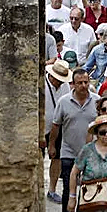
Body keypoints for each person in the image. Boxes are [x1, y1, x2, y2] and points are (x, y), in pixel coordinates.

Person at [50, 68, 100, 212]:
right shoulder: (64, 102)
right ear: (73, 84)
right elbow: (56, 126)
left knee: (88, 185)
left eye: (86, 82)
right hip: (68, 151)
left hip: (90, 152)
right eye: (80, 83)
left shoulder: (96, 101)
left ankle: (82, 211)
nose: (84, 86)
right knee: (67, 187)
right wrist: (52, 146)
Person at [42, 60, 73, 203]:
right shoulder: (42, 85)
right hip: (42, 128)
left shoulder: (65, 86)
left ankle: (52, 190)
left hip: (58, 127)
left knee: (57, 159)